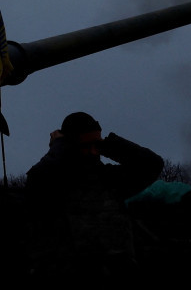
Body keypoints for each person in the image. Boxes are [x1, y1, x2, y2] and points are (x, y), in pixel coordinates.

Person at [25, 112, 164, 281]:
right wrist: (59, 146)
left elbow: (151, 164)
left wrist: (109, 145)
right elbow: (38, 177)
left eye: (96, 145)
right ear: (70, 145)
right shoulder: (52, 184)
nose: (92, 152)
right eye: (85, 145)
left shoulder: (111, 180)